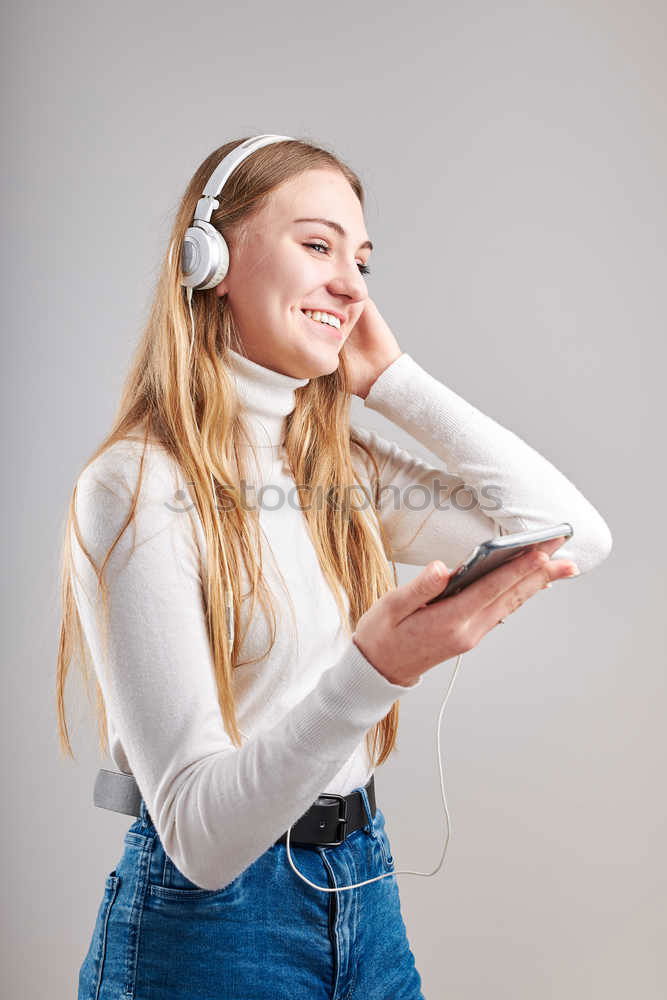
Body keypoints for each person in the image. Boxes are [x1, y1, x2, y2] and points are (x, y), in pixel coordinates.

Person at [57, 136, 613, 999]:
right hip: (210, 931)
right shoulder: (135, 484)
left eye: (360, 260)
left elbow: (572, 535)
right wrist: (374, 672)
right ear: (209, 261)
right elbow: (201, 843)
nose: (352, 286)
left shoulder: (333, 468)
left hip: (361, 885)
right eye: (316, 246)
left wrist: (393, 379)